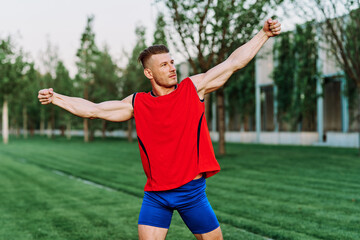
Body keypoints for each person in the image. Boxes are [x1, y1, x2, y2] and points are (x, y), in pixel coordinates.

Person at [38, 18, 281, 240]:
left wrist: (263, 34)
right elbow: (94, 109)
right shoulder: (137, 103)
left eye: (172, 62)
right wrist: (56, 97)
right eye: (164, 65)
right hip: (156, 195)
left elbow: (233, 63)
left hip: (191, 193)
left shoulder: (192, 89)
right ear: (149, 72)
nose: (172, 67)